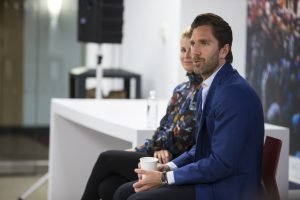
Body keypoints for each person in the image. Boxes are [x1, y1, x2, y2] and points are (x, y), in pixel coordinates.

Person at [114, 13, 265, 200]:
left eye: (204, 43)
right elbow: (200, 149)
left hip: (226, 189)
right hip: (210, 181)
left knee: (134, 198)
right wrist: (168, 167)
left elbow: (221, 164)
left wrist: (163, 178)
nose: (195, 51)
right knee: (123, 191)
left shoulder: (234, 93)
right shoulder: (210, 86)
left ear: (224, 51)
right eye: (193, 43)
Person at [81, 28, 202, 200]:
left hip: (174, 162)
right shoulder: (181, 90)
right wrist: (157, 146)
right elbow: (163, 128)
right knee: (107, 186)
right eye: (182, 50)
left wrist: (159, 147)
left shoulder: (203, 93)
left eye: (190, 50)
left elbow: (183, 136)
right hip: (157, 153)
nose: (186, 55)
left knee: (106, 158)